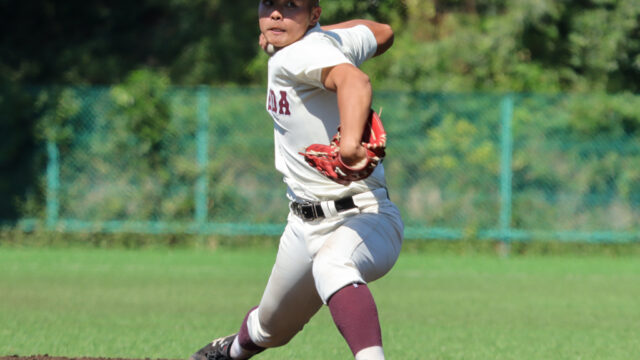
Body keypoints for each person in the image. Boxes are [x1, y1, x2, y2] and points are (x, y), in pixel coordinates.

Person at [190, 0, 403, 359]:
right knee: (269, 327)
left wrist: (351, 144)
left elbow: (355, 79)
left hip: (364, 216)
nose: (276, 14)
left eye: (291, 6)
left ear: (314, 12)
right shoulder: (323, 43)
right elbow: (384, 32)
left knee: (334, 264)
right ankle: (231, 352)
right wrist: (313, 31)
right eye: (270, 4)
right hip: (303, 225)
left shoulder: (301, 53)